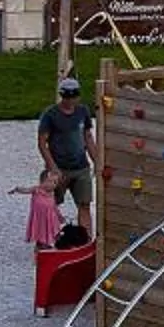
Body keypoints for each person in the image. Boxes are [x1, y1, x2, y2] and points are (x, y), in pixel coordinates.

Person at [37, 75, 95, 229]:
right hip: (58, 169)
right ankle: (47, 237)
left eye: (74, 96)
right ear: (62, 95)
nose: (70, 101)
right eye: (67, 97)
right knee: (49, 205)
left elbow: (88, 137)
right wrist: (53, 168)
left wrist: (97, 161)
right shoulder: (50, 114)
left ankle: (86, 238)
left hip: (81, 168)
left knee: (84, 205)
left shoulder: (83, 111)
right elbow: (42, 143)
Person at [11, 167, 65, 248]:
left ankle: (54, 245)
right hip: (39, 218)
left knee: (52, 231)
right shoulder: (36, 190)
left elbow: (54, 207)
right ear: (42, 181)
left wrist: (60, 216)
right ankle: (40, 246)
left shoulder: (52, 194)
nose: (52, 184)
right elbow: (26, 190)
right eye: (50, 181)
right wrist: (17, 189)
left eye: (55, 182)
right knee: (40, 232)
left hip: (49, 218)